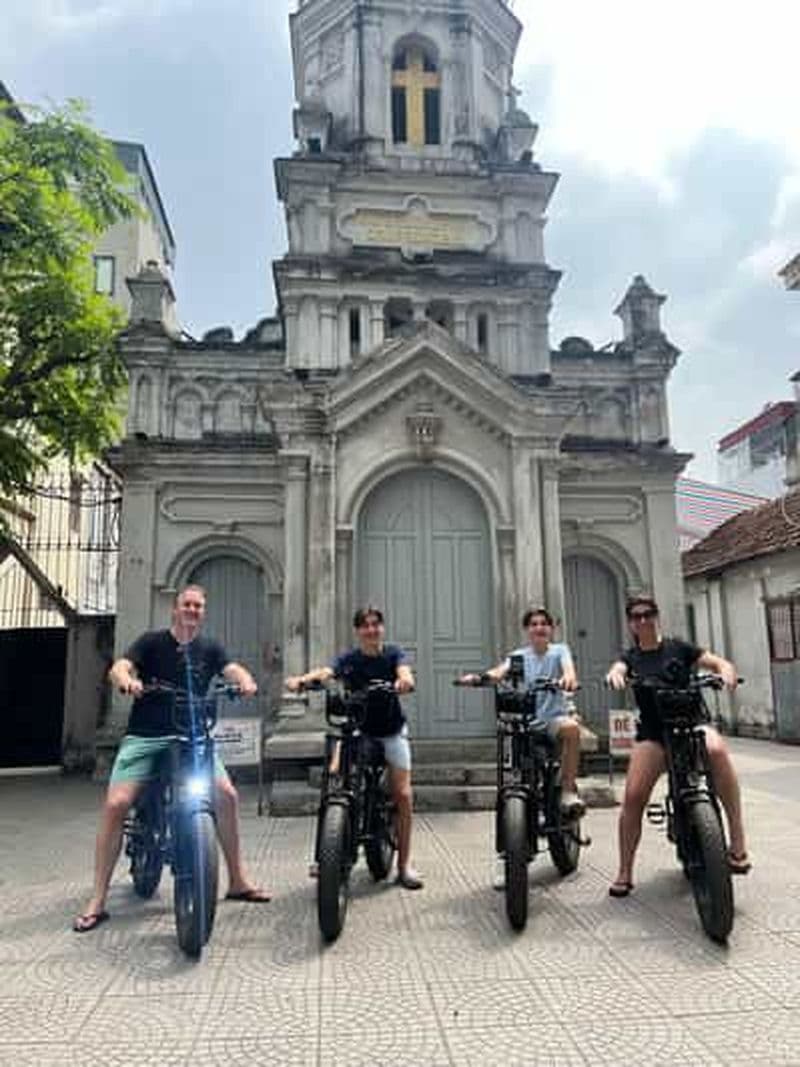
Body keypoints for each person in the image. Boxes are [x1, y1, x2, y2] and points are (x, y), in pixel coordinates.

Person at [73, 584, 271, 932]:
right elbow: (120, 666)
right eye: (187, 605)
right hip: (147, 737)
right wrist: (126, 681)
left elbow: (233, 669)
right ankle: (98, 899)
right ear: (175, 609)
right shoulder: (151, 642)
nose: (192, 610)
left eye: (198, 606)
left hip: (193, 737)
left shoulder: (210, 648)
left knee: (227, 795)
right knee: (117, 804)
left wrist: (246, 682)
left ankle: (238, 879)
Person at [605, 594, 750, 898]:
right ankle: (625, 871)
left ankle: (737, 843)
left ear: (657, 616)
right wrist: (616, 675)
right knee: (633, 795)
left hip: (692, 723)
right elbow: (617, 669)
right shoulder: (630, 657)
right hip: (655, 734)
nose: (643, 620)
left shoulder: (678, 647)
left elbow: (715, 661)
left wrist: (725, 671)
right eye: (636, 616)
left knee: (718, 751)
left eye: (648, 614)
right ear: (630, 623)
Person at [285, 605, 423, 890]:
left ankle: (405, 864)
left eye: (376, 624)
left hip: (390, 731)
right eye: (365, 625)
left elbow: (405, 672)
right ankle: (325, 855)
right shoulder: (351, 659)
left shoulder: (392, 654)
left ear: (382, 628)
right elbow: (327, 671)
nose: (371, 630)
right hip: (358, 730)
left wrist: (404, 682)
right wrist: (303, 680)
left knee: (403, 794)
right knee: (333, 776)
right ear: (358, 631)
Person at [459, 606, 584, 815]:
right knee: (516, 749)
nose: (539, 628)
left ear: (551, 629)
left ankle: (568, 790)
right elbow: (500, 672)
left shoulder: (559, 651)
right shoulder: (519, 656)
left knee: (571, 728)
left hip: (554, 719)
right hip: (528, 722)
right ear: (527, 630)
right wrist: (479, 679)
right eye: (534, 624)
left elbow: (568, 670)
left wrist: (568, 680)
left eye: (544, 624)